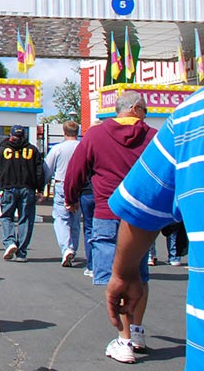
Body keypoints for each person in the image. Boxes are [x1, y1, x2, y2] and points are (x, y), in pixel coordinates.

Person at [106, 77, 204, 369]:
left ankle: (126, 339)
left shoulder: (198, 110)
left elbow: (140, 209)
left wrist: (123, 272)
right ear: (136, 109)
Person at [64, 90, 155, 363]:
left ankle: (124, 340)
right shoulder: (152, 137)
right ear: (137, 109)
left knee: (118, 278)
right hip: (141, 216)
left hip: (108, 212)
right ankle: (136, 332)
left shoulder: (96, 135)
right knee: (140, 273)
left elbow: (75, 171)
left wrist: (71, 198)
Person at [0, 125, 45, 262]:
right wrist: (40, 190)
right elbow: (39, 172)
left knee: (7, 217)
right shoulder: (32, 150)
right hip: (27, 188)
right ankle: (21, 252)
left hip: (8, 188)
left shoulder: (4, 149)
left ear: (11, 135)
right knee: (25, 219)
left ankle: (10, 243)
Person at [44, 121, 82, 267]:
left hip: (62, 184)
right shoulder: (82, 147)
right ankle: (73, 248)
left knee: (61, 218)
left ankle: (66, 248)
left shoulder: (58, 148)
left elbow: (48, 168)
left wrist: (42, 187)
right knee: (75, 219)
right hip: (79, 185)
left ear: (64, 132)